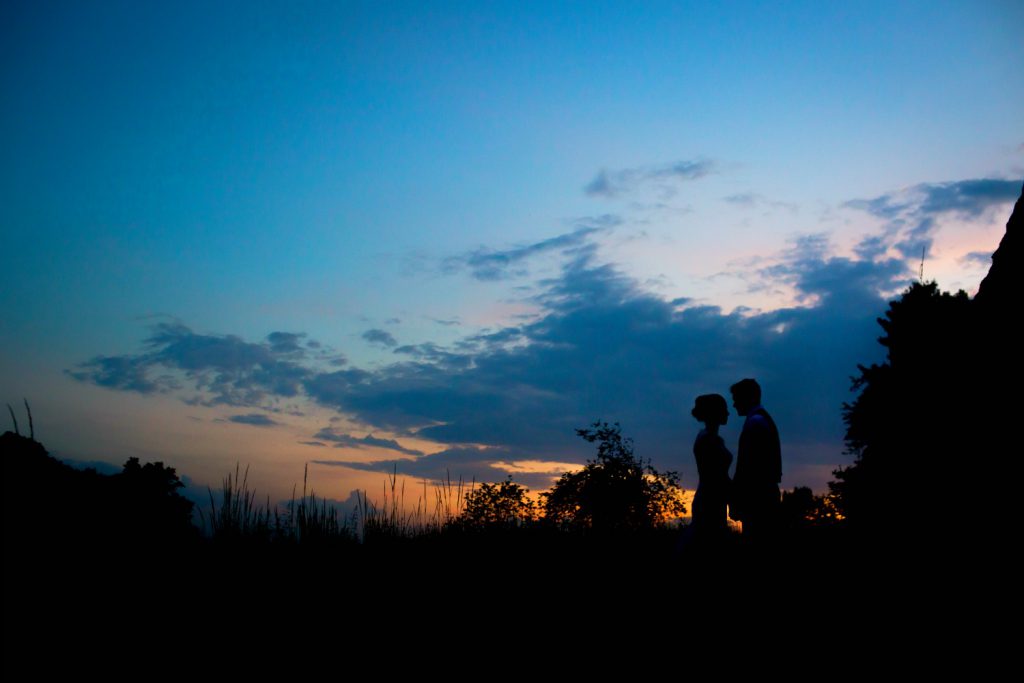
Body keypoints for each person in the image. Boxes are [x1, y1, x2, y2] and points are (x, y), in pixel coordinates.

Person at [729, 378, 781, 540]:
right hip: (763, 497)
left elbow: (748, 466)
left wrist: (738, 499)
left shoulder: (755, 423)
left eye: (736, 399)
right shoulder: (762, 420)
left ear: (746, 398)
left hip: (758, 499)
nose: (734, 405)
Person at [690, 394, 733, 538]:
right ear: (715, 412)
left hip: (713, 500)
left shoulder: (709, 438)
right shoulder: (708, 440)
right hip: (710, 502)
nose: (728, 413)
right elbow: (716, 477)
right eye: (724, 409)